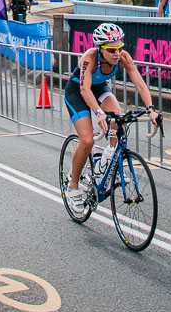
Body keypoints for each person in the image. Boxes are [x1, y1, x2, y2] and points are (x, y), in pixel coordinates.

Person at [63, 22, 159, 215]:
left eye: (120, 47)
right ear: (100, 48)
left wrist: (151, 109)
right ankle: (73, 186)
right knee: (87, 140)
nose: (117, 53)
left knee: (118, 117)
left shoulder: (123, 58)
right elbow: (84, 89)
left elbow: (140, 84)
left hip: (99, 89)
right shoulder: (89, 58)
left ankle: (107, 158)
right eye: (111, 49)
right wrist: (98, 113)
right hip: (78, 91)